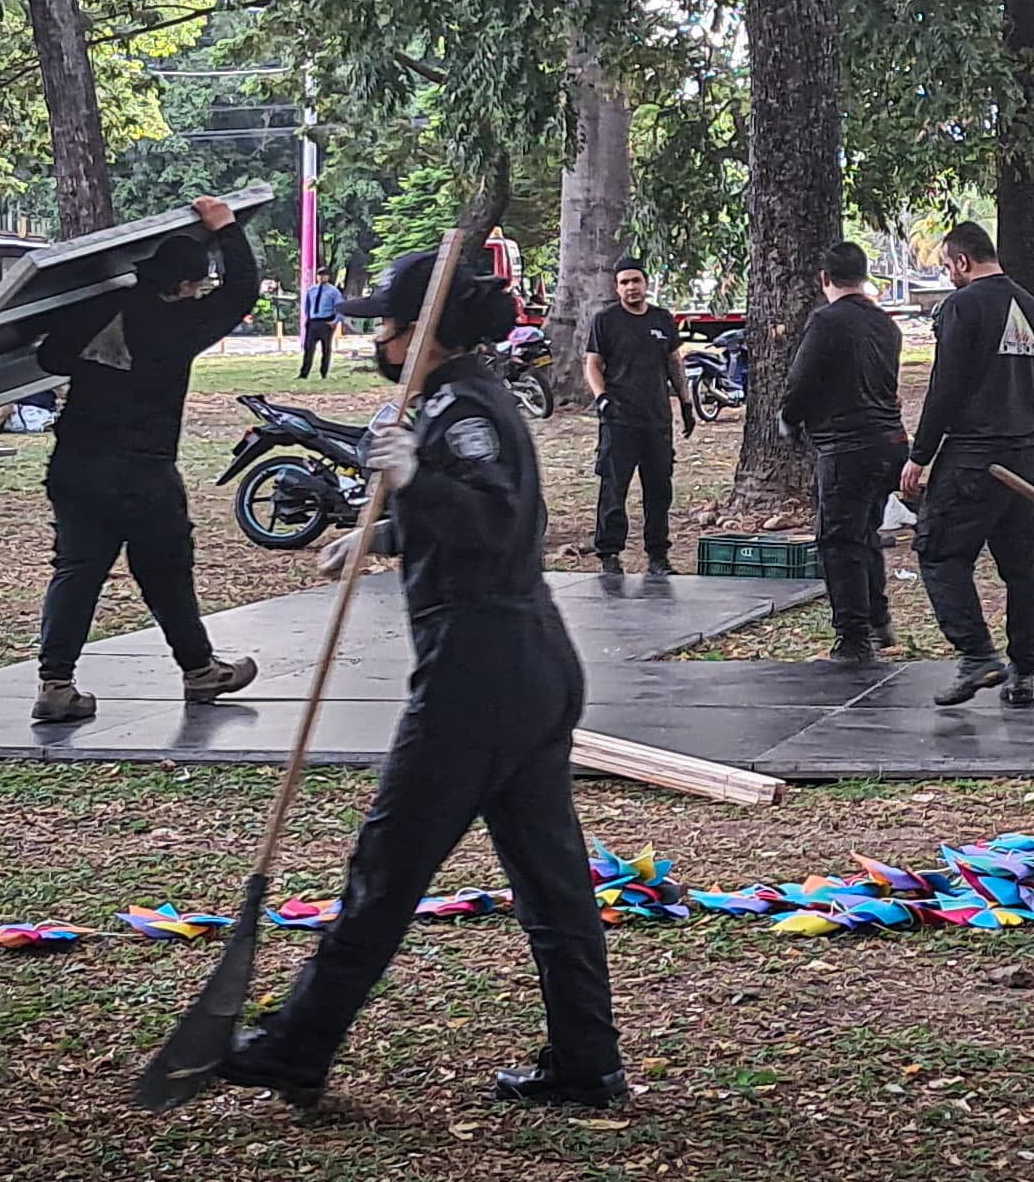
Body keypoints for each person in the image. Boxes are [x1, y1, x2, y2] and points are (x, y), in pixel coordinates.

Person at [220, 256, 624, 1115]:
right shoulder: (453, 399)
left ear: (425, 333)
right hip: (526, 660)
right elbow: (469, 514)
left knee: (388, 866)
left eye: (388, 325)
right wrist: (384, 532)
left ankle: (297, 1045)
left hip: (480, 667)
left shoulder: (465, 405)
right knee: (551, 879)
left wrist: (417, 478)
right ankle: (587, 1063)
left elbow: (498, 518)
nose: (377, 338)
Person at [26, 200, 261, 723]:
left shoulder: (93, 311)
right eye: (196, 286)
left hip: (75, 466)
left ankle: (55, 685)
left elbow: (48, 358)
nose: (199, 293)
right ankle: (200, 671)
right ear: (184, 286)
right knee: (167, 571)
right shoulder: (181, 322)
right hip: (142, 471)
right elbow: (242, 289)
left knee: (77, 570)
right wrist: (225, 229)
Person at [901, 224, 1034, 707]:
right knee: (1023, 565)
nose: (948, 275)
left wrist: (920, 455)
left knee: (940, 552)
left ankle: (976, 654)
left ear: (962, 262)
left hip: (973, 456)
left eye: (947, 267)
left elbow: (947, 386)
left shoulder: (962, 307)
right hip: (1027, 452)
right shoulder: (1032, 307)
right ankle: (1024, 669)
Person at [781, 241, 906, 662]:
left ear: (824, 279)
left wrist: (790, 417)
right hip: (888, 441)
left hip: (846, 445)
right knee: (865, 533)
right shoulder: (886, 325)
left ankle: (852, 638)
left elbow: (802, 379)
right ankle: (878, 620)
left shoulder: (826, 322)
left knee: (837, 540)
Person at [584, 260, 685, 577]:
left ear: (645, 283)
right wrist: (601, 398)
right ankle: (609, 554)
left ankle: (658, 556)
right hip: (619, 420)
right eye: (624, 282)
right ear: (617, 287)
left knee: (659, 490)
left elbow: (674, 363)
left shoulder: (662, 320)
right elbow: (592, 364)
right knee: (614, 488)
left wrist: (686, 402)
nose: (631, 287)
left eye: (636, 281)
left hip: (656, 420)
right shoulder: (606, 321)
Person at [298, 274, 345, 379]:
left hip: (326, 322)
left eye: (324, 275)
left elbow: (340, 307)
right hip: (313, 322)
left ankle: (324, 373)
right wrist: (308, 319)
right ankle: (304, 373)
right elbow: (307, 306)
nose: (321, 278)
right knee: (308, 349)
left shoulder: (333, 291)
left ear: (328, 277)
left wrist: (335, 321)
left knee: (326, 349)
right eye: (319, 275)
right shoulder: (311, 290)